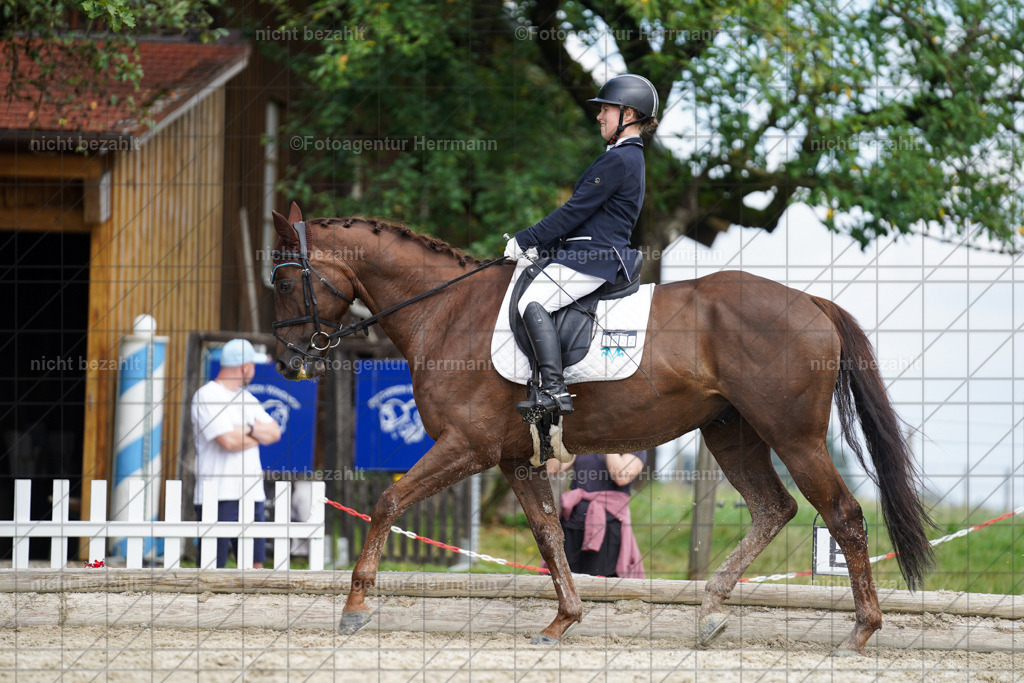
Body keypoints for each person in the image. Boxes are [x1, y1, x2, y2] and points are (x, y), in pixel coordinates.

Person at [504, 74, 659, 421]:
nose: (600, 116)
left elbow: (575, 211)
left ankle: (554, 389)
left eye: (606, 109)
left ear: (629, 113)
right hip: (582, 253)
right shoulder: (623, 157)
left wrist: (526, 238)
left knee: (532, 301)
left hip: (594, 258)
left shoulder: (619, 160)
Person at [192, 338, 281, 568]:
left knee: (254, 566)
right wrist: (256, 435)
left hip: (251, 494)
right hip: (217, 494)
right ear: (244, 367)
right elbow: (228, 441)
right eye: (253, 365)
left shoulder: (246, 397)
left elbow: (274, 433)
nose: (253, 370)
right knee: (212, 569)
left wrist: (248, 430)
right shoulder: (207, 395)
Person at [546, 452, 646, 578]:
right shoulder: (586, 442)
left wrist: (606, 439)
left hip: (608, 525)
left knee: (600, 583)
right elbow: (552, 468)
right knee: (564, 577)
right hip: (573, 521)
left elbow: (621, 477)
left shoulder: (635, 446)